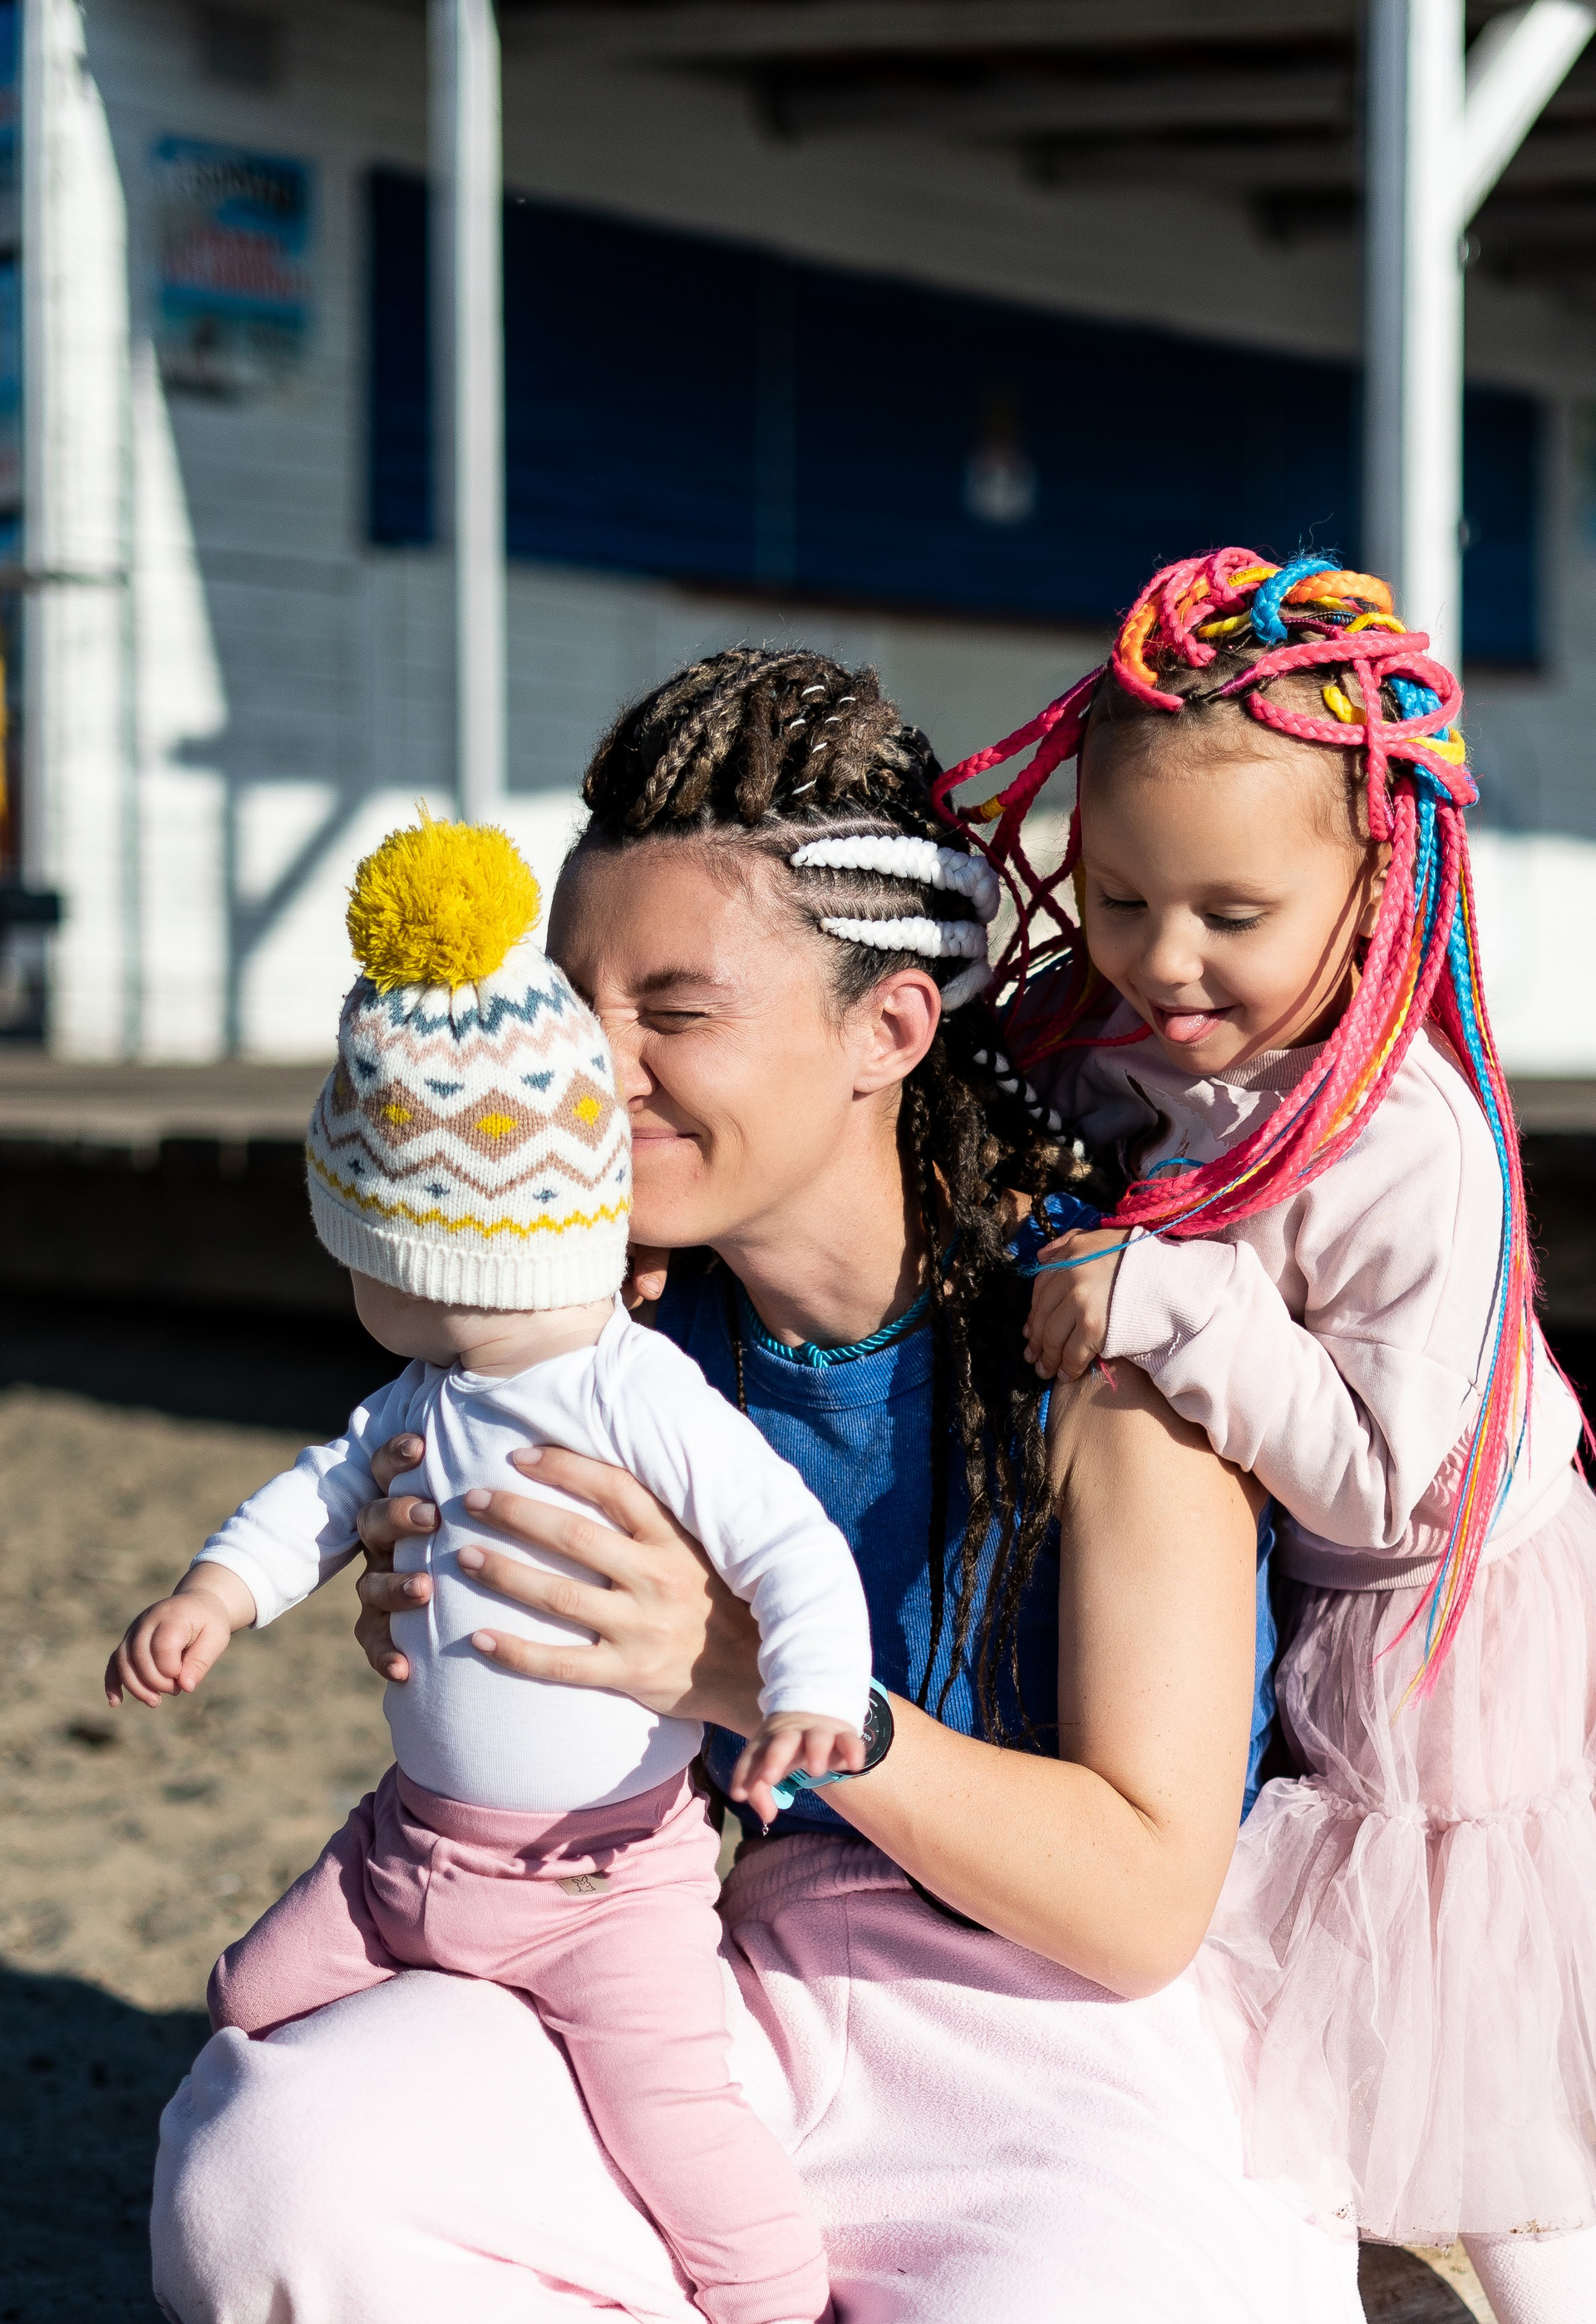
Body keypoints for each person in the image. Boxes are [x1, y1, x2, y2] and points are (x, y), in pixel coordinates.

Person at [150, 647, 1362, 2324]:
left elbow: (1144, 1903)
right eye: (573, 1004)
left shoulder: (1112, 1344)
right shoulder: (609, 1345)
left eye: (675, 1011)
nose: (596, 1066)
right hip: (714, 1993)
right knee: (271, 2179)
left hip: (1073, 2069)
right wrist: (449, 1607)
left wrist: (741, 1669)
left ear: (889, 1025)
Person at [941, 549, 1596, 2324]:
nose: (1162, 960)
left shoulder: (1407, 1142)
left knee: (1467, 2036)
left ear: (1375, 885)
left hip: (1439, 1627)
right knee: (1316, 2036)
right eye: (1120, 895)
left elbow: (1383, 1479)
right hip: (1301, 1580)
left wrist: (1173, 1298)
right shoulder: (1125, 1041)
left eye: (1230, 913)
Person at [111, 811, 875, 2324]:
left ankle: (776, 2298)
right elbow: (311, 1499)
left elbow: (788, 1540)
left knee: (673, 2117)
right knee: (245, 2000)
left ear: (455, 1260)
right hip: (408, 1846)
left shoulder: (633, 1390)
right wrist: (214, 1594)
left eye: (371, 1261)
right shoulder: (426, 1394)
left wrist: (810, 1689)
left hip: (603, 1880)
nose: (359, 1289)